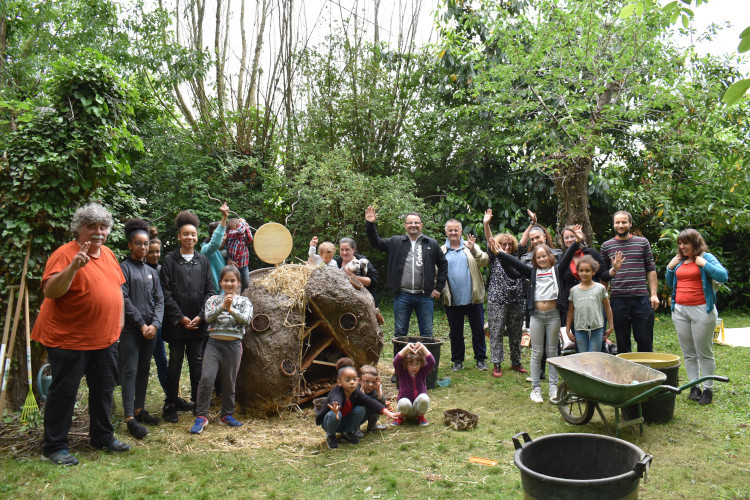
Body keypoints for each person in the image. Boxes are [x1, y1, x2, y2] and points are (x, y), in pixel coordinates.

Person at [32, 202, 130, 465]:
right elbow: (51, 291)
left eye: (103, 227)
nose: (98, 231)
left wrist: (118, 323)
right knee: (64, 393)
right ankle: (54, 447)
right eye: (91, 226)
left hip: (105, 339)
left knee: (104, 390)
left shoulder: (108, 254)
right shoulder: (64, 255)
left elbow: (117, 290)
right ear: (79, 229)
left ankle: (102, 437)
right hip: (69, 340)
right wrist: (74, 267)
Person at [495, 225, 583, 404]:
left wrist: (578, 241)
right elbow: (516, 264)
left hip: (553, 316)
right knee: (537, 353)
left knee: (552, 352)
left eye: (545, 256)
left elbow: (568, 255)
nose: (542, 259)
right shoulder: (532, 272)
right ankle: (535, 389)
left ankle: (553, 388)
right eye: (539, 257)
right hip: (536, 316)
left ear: (551, 257)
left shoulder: (557, 270)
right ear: (534, 260)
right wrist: (499, 254)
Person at [160, 210, 215, 423]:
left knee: (197, 364)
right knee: (174, 364)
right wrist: (180, 317)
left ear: (196, 236)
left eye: (193, 234)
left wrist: (201, 316)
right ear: (178, 237)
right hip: (176, 325)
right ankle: (170, 404)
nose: (190, 238)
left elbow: (210, 291)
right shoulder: (169, 260)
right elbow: (164, 292)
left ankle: (198, 405)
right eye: (185, 234)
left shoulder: (203, 261)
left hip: (198, 325)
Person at [666, 229, 728, 405]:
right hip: (680, 311)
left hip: (702, 310)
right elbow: (670, 283)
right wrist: (670, 268)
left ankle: (708, 389)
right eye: (680, 243)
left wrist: (703, 264)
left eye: (686, 243)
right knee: (688, 352)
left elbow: (723, 275)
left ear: (695, 243)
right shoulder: (679, 261)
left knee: (704, 352)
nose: (682, 246)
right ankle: (694, 387)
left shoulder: (706, 258)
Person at [365, 206, 448, 337]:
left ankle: (426, 358)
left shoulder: (431, 243)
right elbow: (377, 242)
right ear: (405, 226)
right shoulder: (395, 242)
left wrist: (438, 288)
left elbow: (443, 264)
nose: (413, 225)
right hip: (402, 296)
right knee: (400, 333)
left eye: (416, 223)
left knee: (427, 333)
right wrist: (370, 224)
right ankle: (400, 358)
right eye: (410, 223)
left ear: (421, 225)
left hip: (425, 296)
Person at [190, 265, 253, 434]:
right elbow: (208, 317)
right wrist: (222, 306)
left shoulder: (244, 301)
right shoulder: (213, 300)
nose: (229, 284)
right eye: (226, 280)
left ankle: (226, 415)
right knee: (207, 378)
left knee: (229, 381)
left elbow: (246, 320)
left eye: (232, 281)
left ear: (238, 283)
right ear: (220, 282)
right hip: (214, 344)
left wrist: (231, 309)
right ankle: (202, 416)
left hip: (233, 345)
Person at [119, 219, 164, 439]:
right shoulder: (123, 269)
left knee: (145, 368)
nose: (143, 248)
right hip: (130, 330)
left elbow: (160, 300)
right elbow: (124, 299)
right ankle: (129, 417)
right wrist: (141, 324)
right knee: (130, 370)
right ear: (130, 245)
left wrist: (155, 324)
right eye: (138, 244)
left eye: (146, 244)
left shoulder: (152, 271)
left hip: (150, 331)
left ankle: (139, 410)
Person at [558, 224, 624, 351]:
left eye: (573, 236)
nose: (570, 239)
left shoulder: (591, 254)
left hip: (593, 301)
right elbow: (560, 272)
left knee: (598, 341)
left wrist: (614, 269)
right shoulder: (563, 258)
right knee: (579, 340)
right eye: (567, 238)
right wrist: (575, 244)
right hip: (573, 302)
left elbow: (604, 275)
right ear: (563, 240)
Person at [600, 211, 659, 353]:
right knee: (622, 342)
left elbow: (650, 269)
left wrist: (654, 294)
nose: (620, 225)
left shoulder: (642, 242)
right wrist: (604, 297)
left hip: (642, 299)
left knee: (645, 340)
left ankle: (646, 372)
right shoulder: (606, 246)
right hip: (618, 300)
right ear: (613, 224)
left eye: (624, 222)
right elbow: (603, 275)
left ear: (630, 224)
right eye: (617, 222)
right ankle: (626, 374)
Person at [315, 359, 400, 449]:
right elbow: (336, 399)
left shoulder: (355, 392)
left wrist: (388, 412)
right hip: (330, 423)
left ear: (358, 380)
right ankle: (331, 436)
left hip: (344, 423)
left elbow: (370, 402)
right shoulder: (336, 391)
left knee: (361, 408)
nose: (352, 382)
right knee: (335, 414)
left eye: (354, 379)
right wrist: (336, 410)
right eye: (347, 380)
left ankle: (347, 433)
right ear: (339, 382)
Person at [441, 219, 489, 371]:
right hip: (452, 298)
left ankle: (481, 359)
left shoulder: (470, 247)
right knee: (455, 332)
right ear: (446, 232)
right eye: (450, 230)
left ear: (461, 231)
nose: (453, 233)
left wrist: (474, 250)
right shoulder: (441, 251)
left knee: (478, 331)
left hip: (473, 297)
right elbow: (436, 272)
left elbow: (485, 261)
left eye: (456, 230)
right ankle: (457, 360)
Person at [483, 209, 527, 377]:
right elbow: (490, 239)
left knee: (516, 332)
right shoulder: (495, 255)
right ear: (498, 245)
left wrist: (531, 224)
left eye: (510, 244)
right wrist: (486, 224)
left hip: (516, 299)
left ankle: (516, 362)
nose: (507, 246)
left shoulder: (516, 255)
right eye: (504, 244)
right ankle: (497, 364)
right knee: (496, 331)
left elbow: (523, 239)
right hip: (497, 300)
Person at [565, 256, 614, 353]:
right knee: (583, 357)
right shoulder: (574, 291)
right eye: (581, 270)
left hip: (597, 328)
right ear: (577, 272)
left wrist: (611, 326)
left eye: (587, 270)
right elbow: (570, 311)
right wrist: (567, 330)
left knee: (594, 356)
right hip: (580, 329)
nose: (584, 273)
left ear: (593, 272)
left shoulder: (600, 288)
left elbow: (607, 308)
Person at [145, 227, 169, 395]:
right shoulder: (140, 269)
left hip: (159, 321)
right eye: (151, 252)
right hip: (144, 322)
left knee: (162, 359)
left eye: (157, 252)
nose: (155, 255)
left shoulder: (161, 270)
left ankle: (170, 395)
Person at [392, 342, 435, 426]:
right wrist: (406, 348)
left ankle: (420, 417)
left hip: (417, 409)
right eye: (410, 364)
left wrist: (422, 347)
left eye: (417, 364)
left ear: (421, 364)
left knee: (424, 397)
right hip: (405, 409)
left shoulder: (422, 371)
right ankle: (400, 418)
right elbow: (395, 361)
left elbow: (432, 362)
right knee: (404, 402)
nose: (414, 367)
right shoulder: (402, 372)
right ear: (406, 364)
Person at [335, 237, 380, 305]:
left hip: (364, 302)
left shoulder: (363, 261)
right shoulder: (335, 262)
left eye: (347, 249)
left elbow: (374, 281)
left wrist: (353, 276)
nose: (344, 253)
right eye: (342, 250)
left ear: (353, 249)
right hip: (343, 302)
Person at [200, 202, 230, 294]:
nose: (221, 238)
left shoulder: (230, 250)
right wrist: (224, 218)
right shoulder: (206, 251)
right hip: (212, 296)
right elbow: (215, 244)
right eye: (216, 236)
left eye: (223, 235)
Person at [358, 364, 389, 434]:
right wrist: (362, 389)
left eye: (373, 382)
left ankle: (372, 426)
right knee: (359, 408)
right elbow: (359, 401)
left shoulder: (373, 390)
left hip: (366, 413)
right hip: (356, 417)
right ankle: (355, 428)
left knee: (377, 405)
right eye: (367, 381)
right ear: (360, 381)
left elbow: (382, 404)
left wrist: (378, 390)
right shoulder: (356, 389)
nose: (370, 385)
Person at [225, 217, 253, 292]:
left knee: (246, 283)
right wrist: (243, 222)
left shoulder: (243, 234)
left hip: (243, 264)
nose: (236, 228)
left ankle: (242, 296)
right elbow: (239, 231)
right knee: (231, 283)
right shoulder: (231, 233)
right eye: (235, 227)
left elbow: (250, 238)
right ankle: (231, 296)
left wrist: (246, 226)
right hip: (233, 265)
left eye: (237, 226)